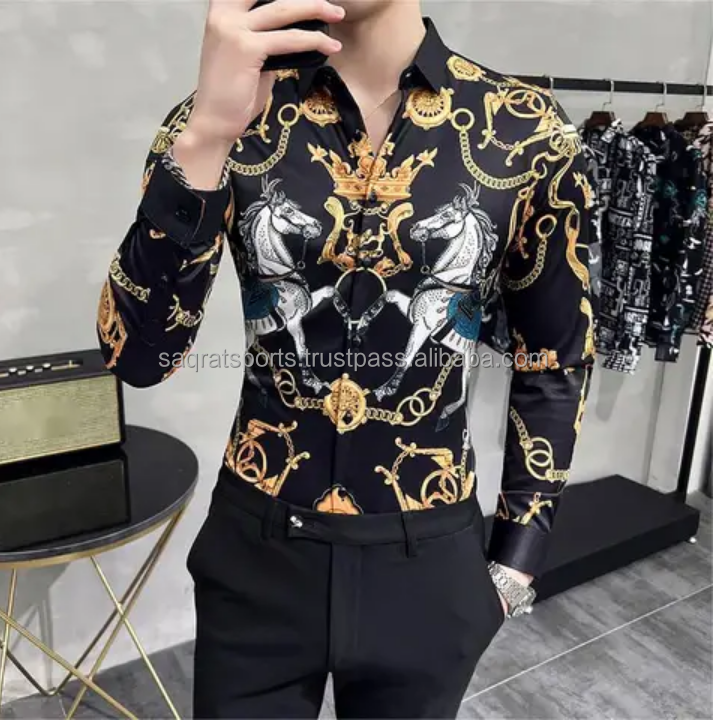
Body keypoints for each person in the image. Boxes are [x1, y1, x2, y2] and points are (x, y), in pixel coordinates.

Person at [97, 0, 596, 716]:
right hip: (257, 555)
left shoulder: (524, 129)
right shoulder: (227, 114)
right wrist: (206, 137)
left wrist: (516, 564)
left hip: (429, 560)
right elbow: (137, 356)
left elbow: (554, 357)